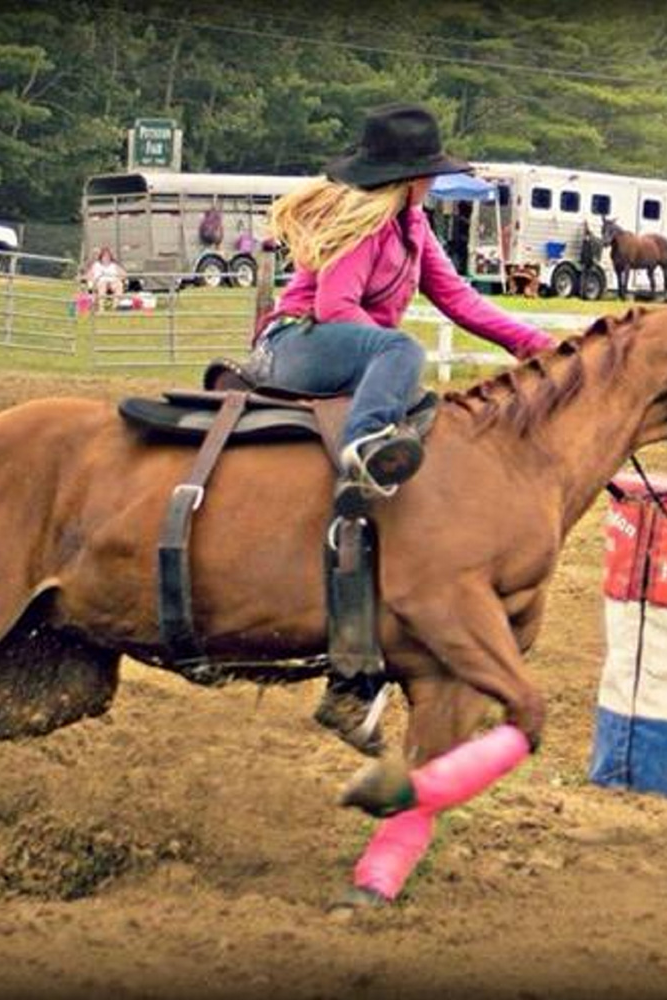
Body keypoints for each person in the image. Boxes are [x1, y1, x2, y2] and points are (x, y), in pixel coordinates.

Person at [254, 103, 557, 751]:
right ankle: (363, 456)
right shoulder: (365, 228)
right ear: (413, 176)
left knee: (408, 397)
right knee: (401, 354)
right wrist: (388, 364)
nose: (434, 184)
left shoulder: (413, 226)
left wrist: (536, 346)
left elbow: (460, 300)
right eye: (430, 174)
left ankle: (358, 676)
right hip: (296, 344)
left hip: (348, 352)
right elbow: (334, 307)